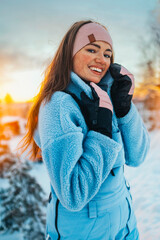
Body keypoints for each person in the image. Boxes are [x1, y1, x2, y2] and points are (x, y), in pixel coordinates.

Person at [22, 20, 150, 240]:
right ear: (69, 54)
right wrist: (101, 133)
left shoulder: (105, 97)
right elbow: (72, 193)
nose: (102, 59)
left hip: (126, 226)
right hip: (85, 233)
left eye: (108, 54)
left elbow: (137, 156)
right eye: (91, 49)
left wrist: (124, 108)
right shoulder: (58, 106)